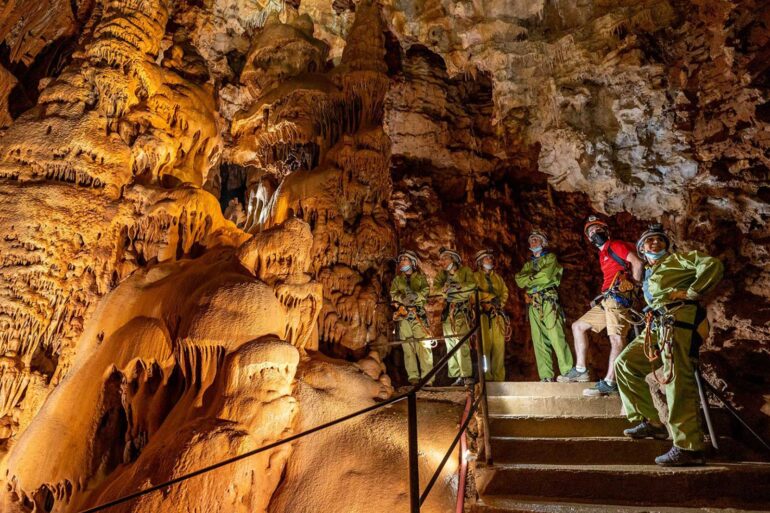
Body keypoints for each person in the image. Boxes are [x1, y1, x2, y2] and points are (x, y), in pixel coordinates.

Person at [615, 224, 723, 466]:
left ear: (666, 245)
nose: (654, 244)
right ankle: (651, 422)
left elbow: (712, 265)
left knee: (676, 377)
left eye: (659, 240)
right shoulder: (648, 273)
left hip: (676, 321)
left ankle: (689, 447)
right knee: (625, 364)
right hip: (655, 325)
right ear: (642, 249)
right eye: (649, 241)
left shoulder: (679, 260)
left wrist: (693, 292)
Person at [558, 216, 643, 398]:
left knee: (616, 339)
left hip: (619, 298)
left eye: (598, 229)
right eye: (591, 231)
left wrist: (634, 289)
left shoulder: (616, 245)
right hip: (607, 299)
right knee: (578, 326)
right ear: (588, 238)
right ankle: (581, 369)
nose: (594, 233)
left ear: (606, 230)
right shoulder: (602, 254)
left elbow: (637, 262)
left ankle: (610, 382)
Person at [515, 230, 573, 382]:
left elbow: (547, 276)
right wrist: (535, 278)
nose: (533, 242)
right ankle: (546, 376)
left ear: (543, 242)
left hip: (548, 300)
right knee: (539, 340)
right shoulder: (528, 264)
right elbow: (519, 281)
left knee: (556, 336)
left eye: (536, 239)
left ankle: (567, 372)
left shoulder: (551, 258)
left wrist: (530, 279)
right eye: (531, 240)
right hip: (533, 303)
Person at [390, 250, 434, 385]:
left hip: (418, 314)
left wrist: (416, 296)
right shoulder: (397, 280)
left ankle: (428, 379)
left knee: (424, 346)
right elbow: (393, 294)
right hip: (403, 316)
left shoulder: (420, 278)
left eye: (405, 259)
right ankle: (413, 377)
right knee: (407, 346)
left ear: (412, 262)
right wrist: (402, 297)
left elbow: (426, 291)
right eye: (401, 260)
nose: (402, 262)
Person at [433, 248, 476, 386]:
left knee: (462, 342)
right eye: (441, 259)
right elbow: (436, 289)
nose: (442, 262)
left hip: (461, 311)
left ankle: (466, 375)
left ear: (453, 258)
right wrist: (446, 290)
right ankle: (456, 375)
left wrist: (456, 287)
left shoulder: (465, 271)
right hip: (447, 313)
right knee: (450, 344)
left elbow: (471, 286)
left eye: (445, 258)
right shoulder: (442, 275)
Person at [473, 249, 509, 382]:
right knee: (484, 348)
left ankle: (499, 378)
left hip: (497, 315)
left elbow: (505, 292)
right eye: (486, 258)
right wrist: (489, 298)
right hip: (483, 316)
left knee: (499, 347)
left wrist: (499, 303)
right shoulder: (475, 277)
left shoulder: (497, 278)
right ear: (480, 262)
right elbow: (472, 293)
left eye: (490, 258)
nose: (490, 260)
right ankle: (486, 377)